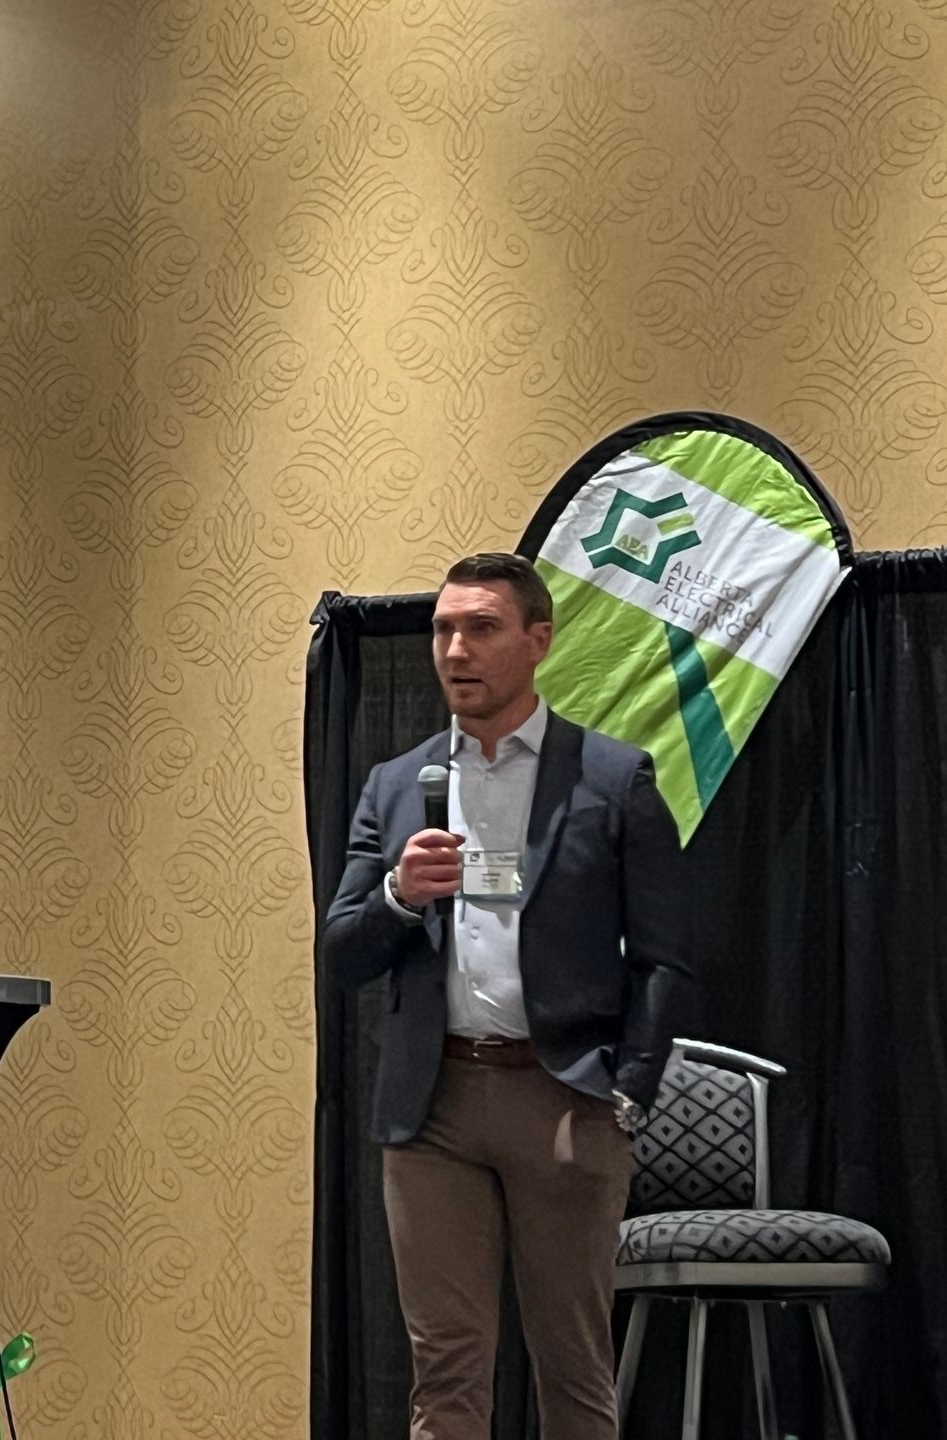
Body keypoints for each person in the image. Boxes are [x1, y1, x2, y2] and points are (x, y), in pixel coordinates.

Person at [320, 551, 691, 1440]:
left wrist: (628, 1094)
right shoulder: (397, 785)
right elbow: (341, 953)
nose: (456, 650)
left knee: (574, 1367)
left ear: (538, 641)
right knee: (445, 1370)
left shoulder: (613, 779)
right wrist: (400, 896)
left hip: (565, 1097)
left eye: (481, 628)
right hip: (432, 1106)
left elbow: (667, 959)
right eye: (444, 630)